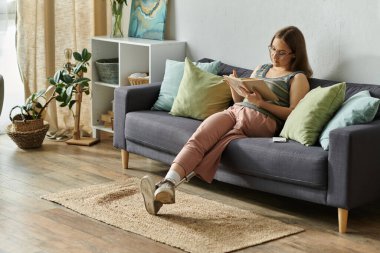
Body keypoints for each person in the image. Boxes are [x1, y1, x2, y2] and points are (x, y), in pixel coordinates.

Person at [140, 26, 313, 215]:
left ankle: (167, 187)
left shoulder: (298, 78)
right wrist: (235, 87)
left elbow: (293, 113)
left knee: (218, 142)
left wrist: (262, 103)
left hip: (262, 121)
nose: (274, 56)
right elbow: (240, 101)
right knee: (201, 136)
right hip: (236, 110)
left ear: (294, 54)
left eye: (281, 52)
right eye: (272, 49)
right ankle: (168, 183)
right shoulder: (262, 69)